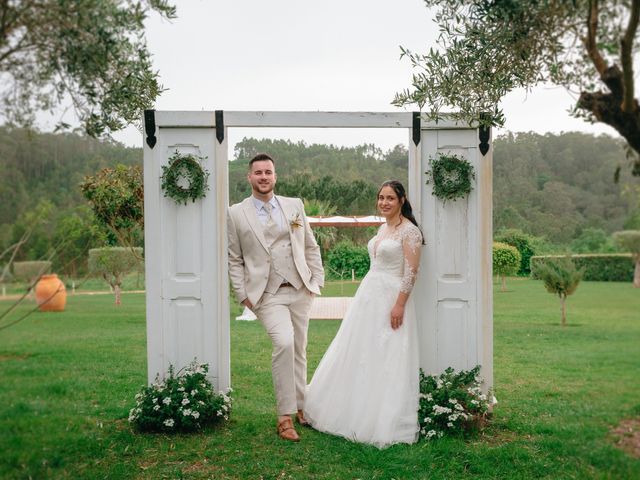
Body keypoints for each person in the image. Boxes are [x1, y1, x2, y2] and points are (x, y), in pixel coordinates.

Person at [304, 180, 424, 448]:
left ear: (402, 200)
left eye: (390, 198)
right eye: (381, 198)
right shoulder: (383, 227)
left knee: (386, 352)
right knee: (360, 350)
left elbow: (411, 272)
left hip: (391, 297)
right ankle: (348, 408)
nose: (384, 202)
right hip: (369, 297)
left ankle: (379, 418)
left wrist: (400, 304)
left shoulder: (410, 232)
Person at [227, 153, 324, 442]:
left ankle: (302, 406)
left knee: (300, 349)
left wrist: (315, 280)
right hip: (266, 294)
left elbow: (309, 245)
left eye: (268, 172)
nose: (264, 177)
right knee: (284, 342)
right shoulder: (235, 213)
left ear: (275, 175)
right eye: (258, 172)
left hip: (299, 288)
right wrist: (243, 294)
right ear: (249, 177)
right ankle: (284, 417)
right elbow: (234, 258)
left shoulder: (294, 206)